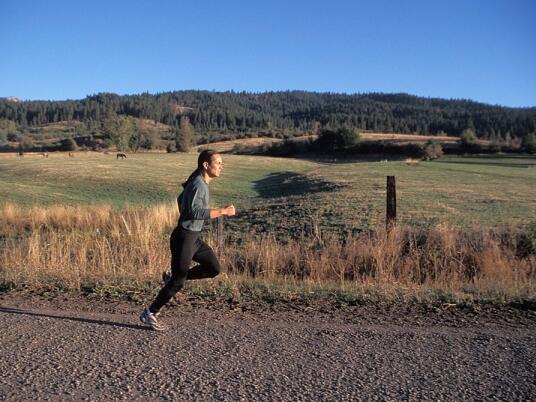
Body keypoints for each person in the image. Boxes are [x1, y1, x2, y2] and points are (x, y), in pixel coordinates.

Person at [140, 150, 235, 330]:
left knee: (213, 268)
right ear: (206, 165)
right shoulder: (199, 184)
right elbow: (194, 212)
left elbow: (181, 199)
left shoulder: (199, 183)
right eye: (218, 163)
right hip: (184, 238)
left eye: (222, 163)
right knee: (178, 282)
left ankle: (172, 278)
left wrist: (185, 211)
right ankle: (150, 313)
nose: (221, 166)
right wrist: (222, 211)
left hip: (193, 237)